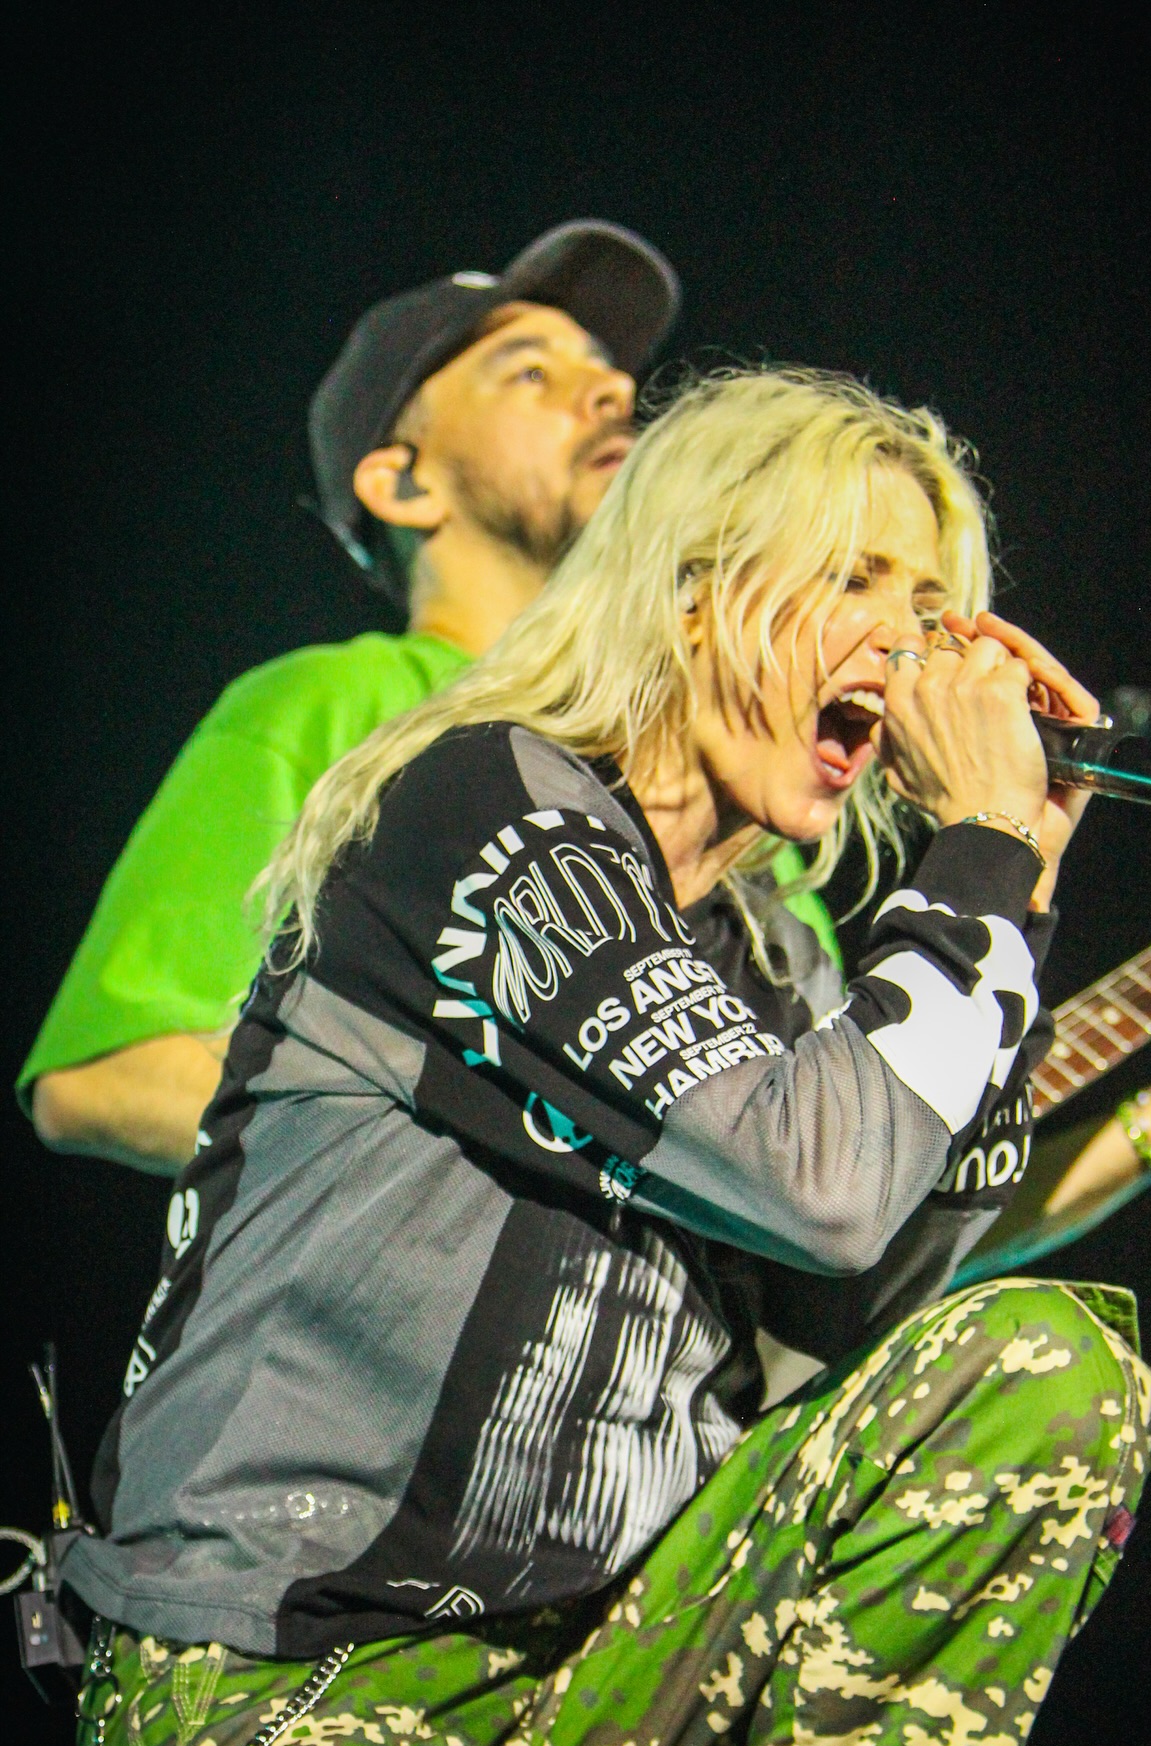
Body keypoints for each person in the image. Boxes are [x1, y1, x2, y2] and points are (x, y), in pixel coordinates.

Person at [65, 367, 1151, 1746]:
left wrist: (1022, 889)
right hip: (303, 1676)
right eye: (855, 577)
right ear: (692, 588)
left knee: (1043, 1373)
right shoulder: (485, 803)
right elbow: (824, 1183)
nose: (908, 644)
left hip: (596, 1692)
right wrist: (976, 861)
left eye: (932, 609)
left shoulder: (772, 961)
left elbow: (852, 1302)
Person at [20, 220, 689, 1173]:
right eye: (531, 373)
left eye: (609, 373)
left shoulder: (722, 766)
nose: (614, 391)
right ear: (404, 482)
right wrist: (500, 1177)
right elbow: (113, 1073)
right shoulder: (333, 702)